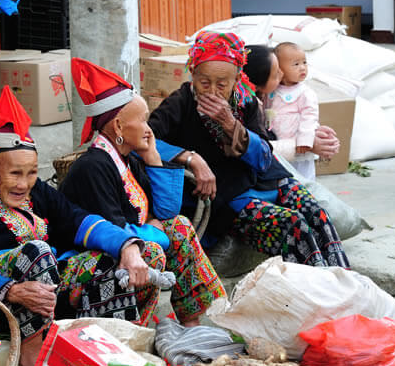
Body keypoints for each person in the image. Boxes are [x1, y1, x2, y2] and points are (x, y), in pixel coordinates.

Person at [0, 86, 164, 366]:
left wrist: (128, 247)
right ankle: (34, 355)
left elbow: (80, 221)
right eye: (15, 173)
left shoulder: (39, 193)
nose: (24, 184)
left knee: (123, 258)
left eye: (32, 172)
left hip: (50, 291)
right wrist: (10, 289)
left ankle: (108, 348)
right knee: (37, 249)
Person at [148, 31, 350, 268]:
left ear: (236, 80)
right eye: (204, 82)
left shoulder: (248, 102)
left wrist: (231, 124)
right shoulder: (180, 103)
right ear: (193, 74)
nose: (212, 91)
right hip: (228, 193)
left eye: (222, 84)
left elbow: (265, 158)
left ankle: (341, 281)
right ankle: (317, 293)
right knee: (293, 226)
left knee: (317, 214)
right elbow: (145, 140)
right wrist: (191, 158)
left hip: (265, 179)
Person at [61, 58, 227, 326]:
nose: (149, 129)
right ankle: (132, 329)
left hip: (129, 245)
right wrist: (153, 231)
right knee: (150, 249)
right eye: (143, 120)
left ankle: (192, 323)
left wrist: (152, 157)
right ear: (117, 127)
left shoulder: (129, 159)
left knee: (180, 226)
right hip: (88, 261)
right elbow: (116, 232)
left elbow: (166, 213)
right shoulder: (93, 167)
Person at [243, 44, 341, 170]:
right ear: (257, 86)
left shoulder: (304, 93)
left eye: (304, 62)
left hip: (298, 149)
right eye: (276, 73)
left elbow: (309, 116)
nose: (281, 73)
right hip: (282, 154)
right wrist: (308, 145)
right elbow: (258, 148)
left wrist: (309, 135)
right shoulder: (249, 108)